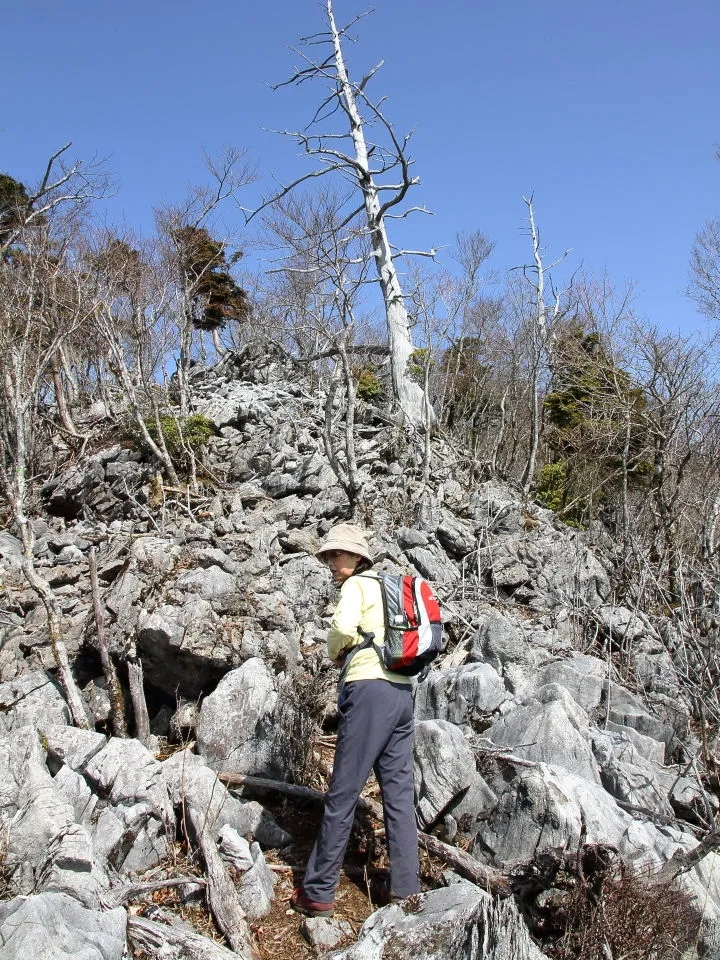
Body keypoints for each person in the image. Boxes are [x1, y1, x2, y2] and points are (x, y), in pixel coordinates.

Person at [291, 523, 420, 918]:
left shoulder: (356, 587)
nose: (332, 562)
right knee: (398, 794)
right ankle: (406, 890)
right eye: (329, 555)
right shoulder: (390, 587)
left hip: (367, 691)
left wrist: (335, 653)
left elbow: (342, 630)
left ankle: (317, 892)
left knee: (344, 792)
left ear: (358, 557)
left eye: (338, 554)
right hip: (402, 693)